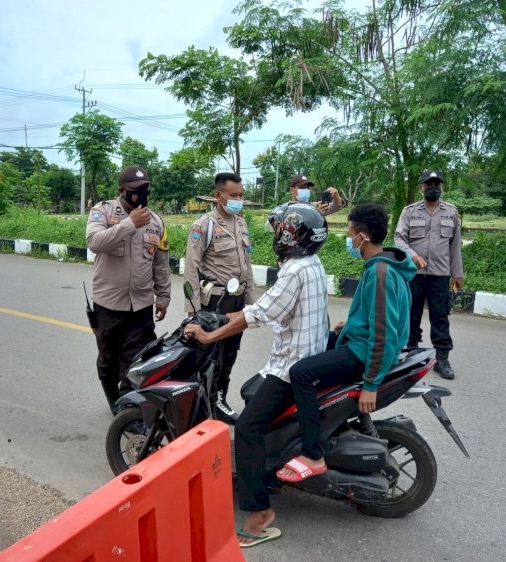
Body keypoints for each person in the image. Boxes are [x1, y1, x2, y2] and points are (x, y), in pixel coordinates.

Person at [184, 203, 329, 548]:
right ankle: (269, 472)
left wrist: (208, 334)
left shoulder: (294, 271)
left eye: (280, 228)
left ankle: (259, 514)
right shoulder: (312, 264)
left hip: (292, 365)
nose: (276, 234)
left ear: (291, 234)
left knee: (248, 427)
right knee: (251, 394)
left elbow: (257, 314)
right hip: (307, 356)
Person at [276, 204, 416, 482]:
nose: (348, 239)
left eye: (350, 233)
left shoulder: (380, 274)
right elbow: (379, 316)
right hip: (360, 341)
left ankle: (312, 454)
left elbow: (383, 332)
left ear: (362, 237)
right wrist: (349, 325)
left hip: (364, 353)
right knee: (321, 342)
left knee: (300, 373)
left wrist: (370, 384)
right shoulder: (383, 265)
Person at [85, 165, 171, 415]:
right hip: (109, 304)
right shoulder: (103, 211)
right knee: (109, 359)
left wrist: (163, 296)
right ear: (122, 190)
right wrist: (129, 224)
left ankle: (128, 407)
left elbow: (160, 263)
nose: (141, 194)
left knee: (136, 359)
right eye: (135, 190)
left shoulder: (155, 221)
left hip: (141, 305)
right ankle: (114, 398)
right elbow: (94, 243)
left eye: (145, 189)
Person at [184, 172, 255, 424]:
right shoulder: (204, 225)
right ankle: (207, 405)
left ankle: (220, 400)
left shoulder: (241, 224)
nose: (238, 199)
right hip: (215, 301)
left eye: (241, 195)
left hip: (237, 301)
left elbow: (246, 266)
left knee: (230, 354)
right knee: (213, 355)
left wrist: (250, 301)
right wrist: (193, 310)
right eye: (234, 195)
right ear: (218, 195)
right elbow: (191, 268)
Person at [394, 170, 464, 379]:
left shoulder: (451, 212)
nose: (433, 188)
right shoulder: (409, 212)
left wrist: (457, 274)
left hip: (440, 275)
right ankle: (411, 353)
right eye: (428, 184)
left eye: (437, 184)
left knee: (440, 317)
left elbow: (455, 246)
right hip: (414, 274)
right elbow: (399, 238)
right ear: (421, 187)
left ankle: (442, 359)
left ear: (442, 187)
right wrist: (413, 256)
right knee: (411, 314)